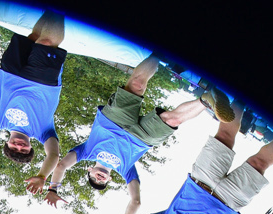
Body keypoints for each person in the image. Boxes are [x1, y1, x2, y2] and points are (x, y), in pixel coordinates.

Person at [104, 104, 273, 214]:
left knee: (224, 135)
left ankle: (239, 100)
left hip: (202, 178)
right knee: (259, 163)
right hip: (231, 198)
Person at [38, 54, 228, 202]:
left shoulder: (86, 152)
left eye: (94, 178)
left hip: (113, 121)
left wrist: (53, 188)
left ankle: (157, 54)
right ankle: (207, 101)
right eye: (102, 181)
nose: (99, 178)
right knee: (172, 120)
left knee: (136, 85)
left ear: (89, 170)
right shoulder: (126, 170)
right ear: (110, 180)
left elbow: (61, 165)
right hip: (141, 139)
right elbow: (135, 201)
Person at [0, 12, 66, 185]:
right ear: (31, 147)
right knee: (46, 43)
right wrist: (42, 176)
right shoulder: (43, 133)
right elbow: (54, 155)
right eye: (24, 150)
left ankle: (50, 9)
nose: (19, 146)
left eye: (14, 148)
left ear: (7, 143)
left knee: (33, 37)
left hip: (10, 72)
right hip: (42, 80)